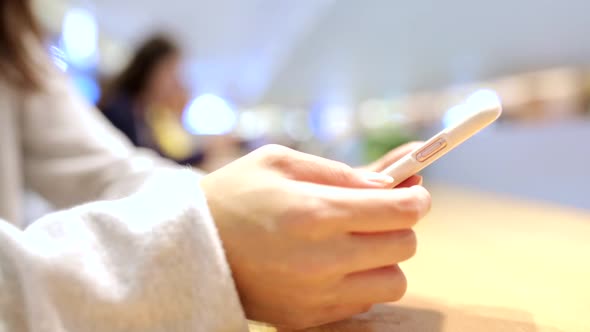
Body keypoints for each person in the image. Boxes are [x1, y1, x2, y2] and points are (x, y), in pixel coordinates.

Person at [0, 1, 431, 331]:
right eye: (174, 73)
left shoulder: (14, 36)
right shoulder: (124, 111)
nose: (182, 85)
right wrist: (208, 237)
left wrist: (261, 205)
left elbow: (113, 171)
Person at [99, 35, 203, 165]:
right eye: (170, 72)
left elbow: (159, 160)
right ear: (150, 69)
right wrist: (204, 155)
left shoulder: (145, 112)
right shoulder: (118, 111)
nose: (176, 82)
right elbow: (143, 165)